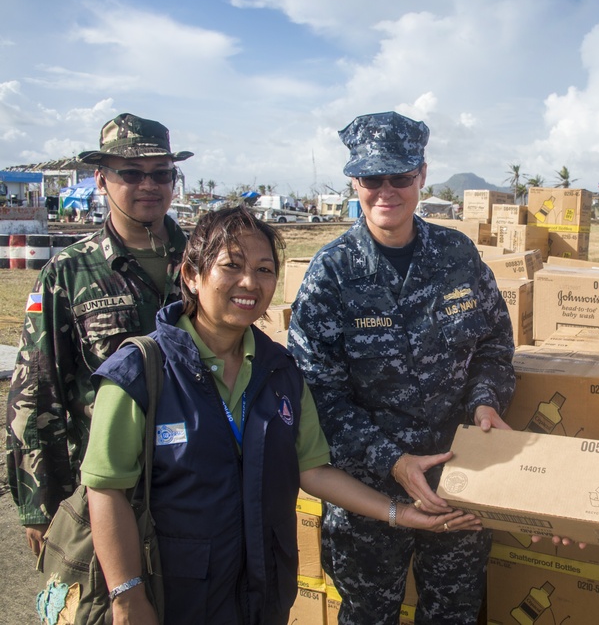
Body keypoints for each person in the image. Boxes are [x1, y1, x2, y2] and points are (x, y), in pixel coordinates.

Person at [73, 205, 474, 624]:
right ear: (191, 275)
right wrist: (127, 596)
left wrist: (399, 513)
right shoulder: (139, 374)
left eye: (265, 270)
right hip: (172, 595)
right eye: (232, 265)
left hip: (261, 594)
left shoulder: (279, 371)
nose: (250, 282)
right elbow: (105, 490)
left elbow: (313, 470)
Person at [287, 111, 516, 624]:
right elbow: (317, 394)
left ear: (422, 175)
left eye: (401, 176)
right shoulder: (331, 273)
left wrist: (485, 400)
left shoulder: (457, 254)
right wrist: (394, 460)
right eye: (372, 178)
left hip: (461, 479)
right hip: (367, 497)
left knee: (454, 613)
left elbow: (495, 345)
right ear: (354, 181)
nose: (386, 190)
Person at [6, 113, 190, 556]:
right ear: (101, 180)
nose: (149, 184)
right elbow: (36, 389)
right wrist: (40, 504)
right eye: (131, 173)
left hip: (195, 480)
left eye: (161, 174)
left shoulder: (204, 262)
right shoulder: (67, 273)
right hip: (106, 487)